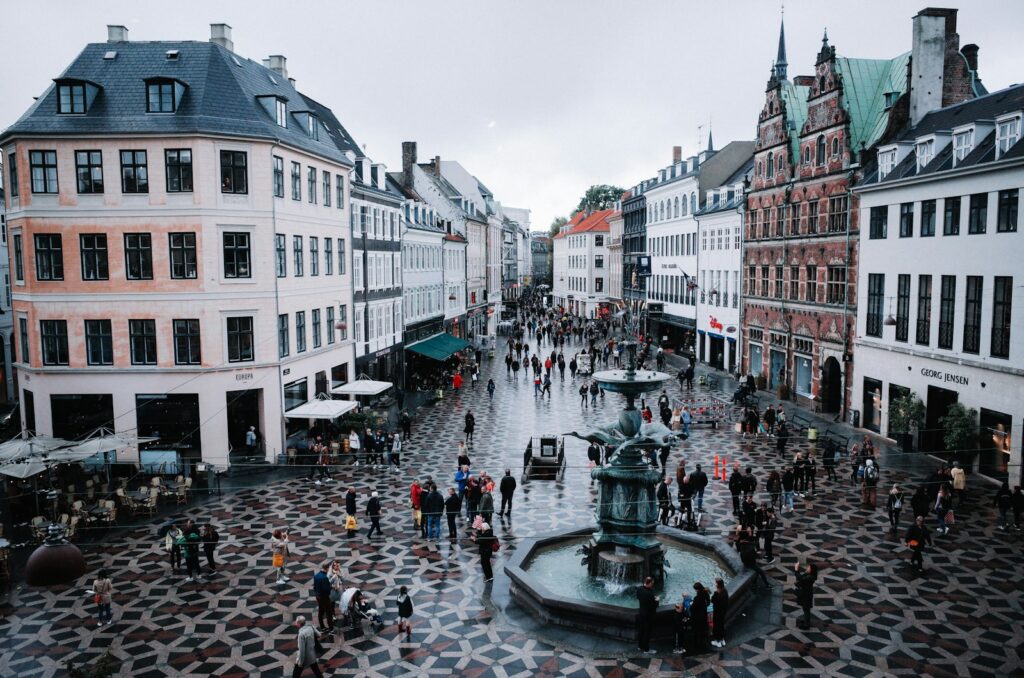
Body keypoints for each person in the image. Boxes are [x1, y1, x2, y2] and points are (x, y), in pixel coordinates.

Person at [636, 576, 659, 654]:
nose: (652, 585)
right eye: (652, 583)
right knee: (647, 632)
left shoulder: (639, 589)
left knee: (641, 630)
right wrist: (657, 600)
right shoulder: (649, 594)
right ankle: (646, 649)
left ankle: (640, 646)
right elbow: (653, 606)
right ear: (648, 583)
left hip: (641, 613)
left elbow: (638, 597)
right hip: (648, 615)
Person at [313, 563, 335, 633]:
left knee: (321, 611)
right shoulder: (324, 577)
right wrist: (330, 588)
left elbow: (315, 587)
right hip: (324, 597)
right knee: (329, 613)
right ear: (327, 568)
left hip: (318, 596)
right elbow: (326, 589)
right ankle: (331, 628)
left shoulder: (316, 575)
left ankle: (322, 627)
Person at [794, 562, 817, 629]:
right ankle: (806, 622)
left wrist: (796, 569)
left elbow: (800, 578)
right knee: (805, 609)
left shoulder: (810, 577)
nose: (807, 568)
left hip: (806, 596)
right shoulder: (809, 575)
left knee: (806, 609)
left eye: (809, 567)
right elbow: (800, 578)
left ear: (811, 570)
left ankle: (806, 625)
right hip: (806, 594)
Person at [690, 582, 711, 653]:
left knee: (696, 631)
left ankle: (696, 645)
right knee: (702, 629)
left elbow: (692, 608)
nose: (695, 591)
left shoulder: (697, 598)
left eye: (695, 589)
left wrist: (691, 604)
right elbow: (708, 602)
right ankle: (702, 642)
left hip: (697, 617)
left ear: (697, 589)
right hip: (703, 614)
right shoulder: (705, 593)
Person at [711, 577, 729, 648]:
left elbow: (712, 600)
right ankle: (722, 639)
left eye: (715, 582)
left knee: (717, 626)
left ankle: (717, 641)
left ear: (717, 584)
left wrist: (714, 594)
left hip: (717, 612)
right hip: (723, 612)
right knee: (721, 625)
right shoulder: (725, 591)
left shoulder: (717, 593)